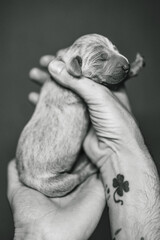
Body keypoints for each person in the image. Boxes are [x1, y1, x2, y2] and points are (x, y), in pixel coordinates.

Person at [7, 55, 160, 240]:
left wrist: (35, 235)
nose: (121, 60)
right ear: (73, 66)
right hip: (46, 175)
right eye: (101, 57)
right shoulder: (70, 72)